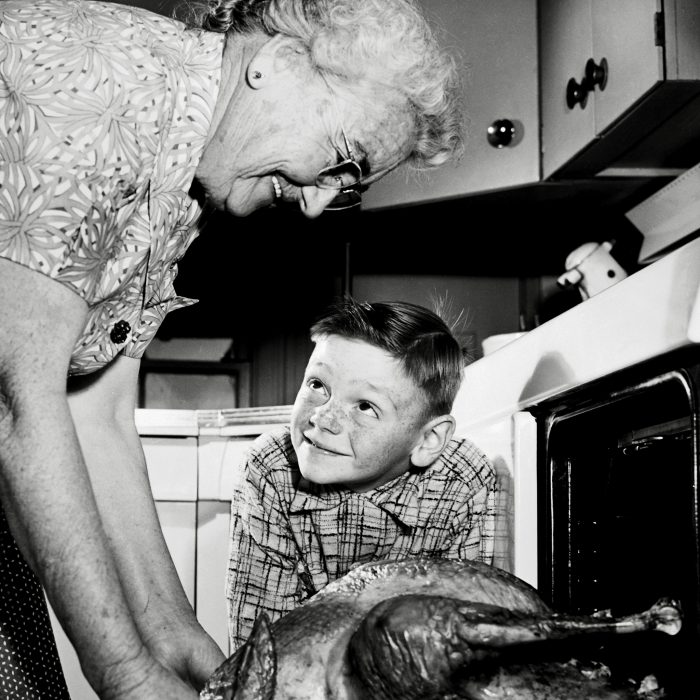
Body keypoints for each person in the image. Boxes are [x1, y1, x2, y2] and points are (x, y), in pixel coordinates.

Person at [0, 0, 463, 697]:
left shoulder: (187, 174)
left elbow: (95, 411)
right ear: (277, 63)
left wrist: (174, 636)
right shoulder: (103, 94)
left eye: (347, 190)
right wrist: (127, 675)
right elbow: (17, 401)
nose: (315, 206)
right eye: (341, 162)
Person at [226, 298, 501, 651]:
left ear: (428, 440)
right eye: (317, 385)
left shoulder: (465, 483)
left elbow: (459, 644)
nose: (322, 419)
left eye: (366, 406)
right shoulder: (271, 470)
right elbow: (260, 647)